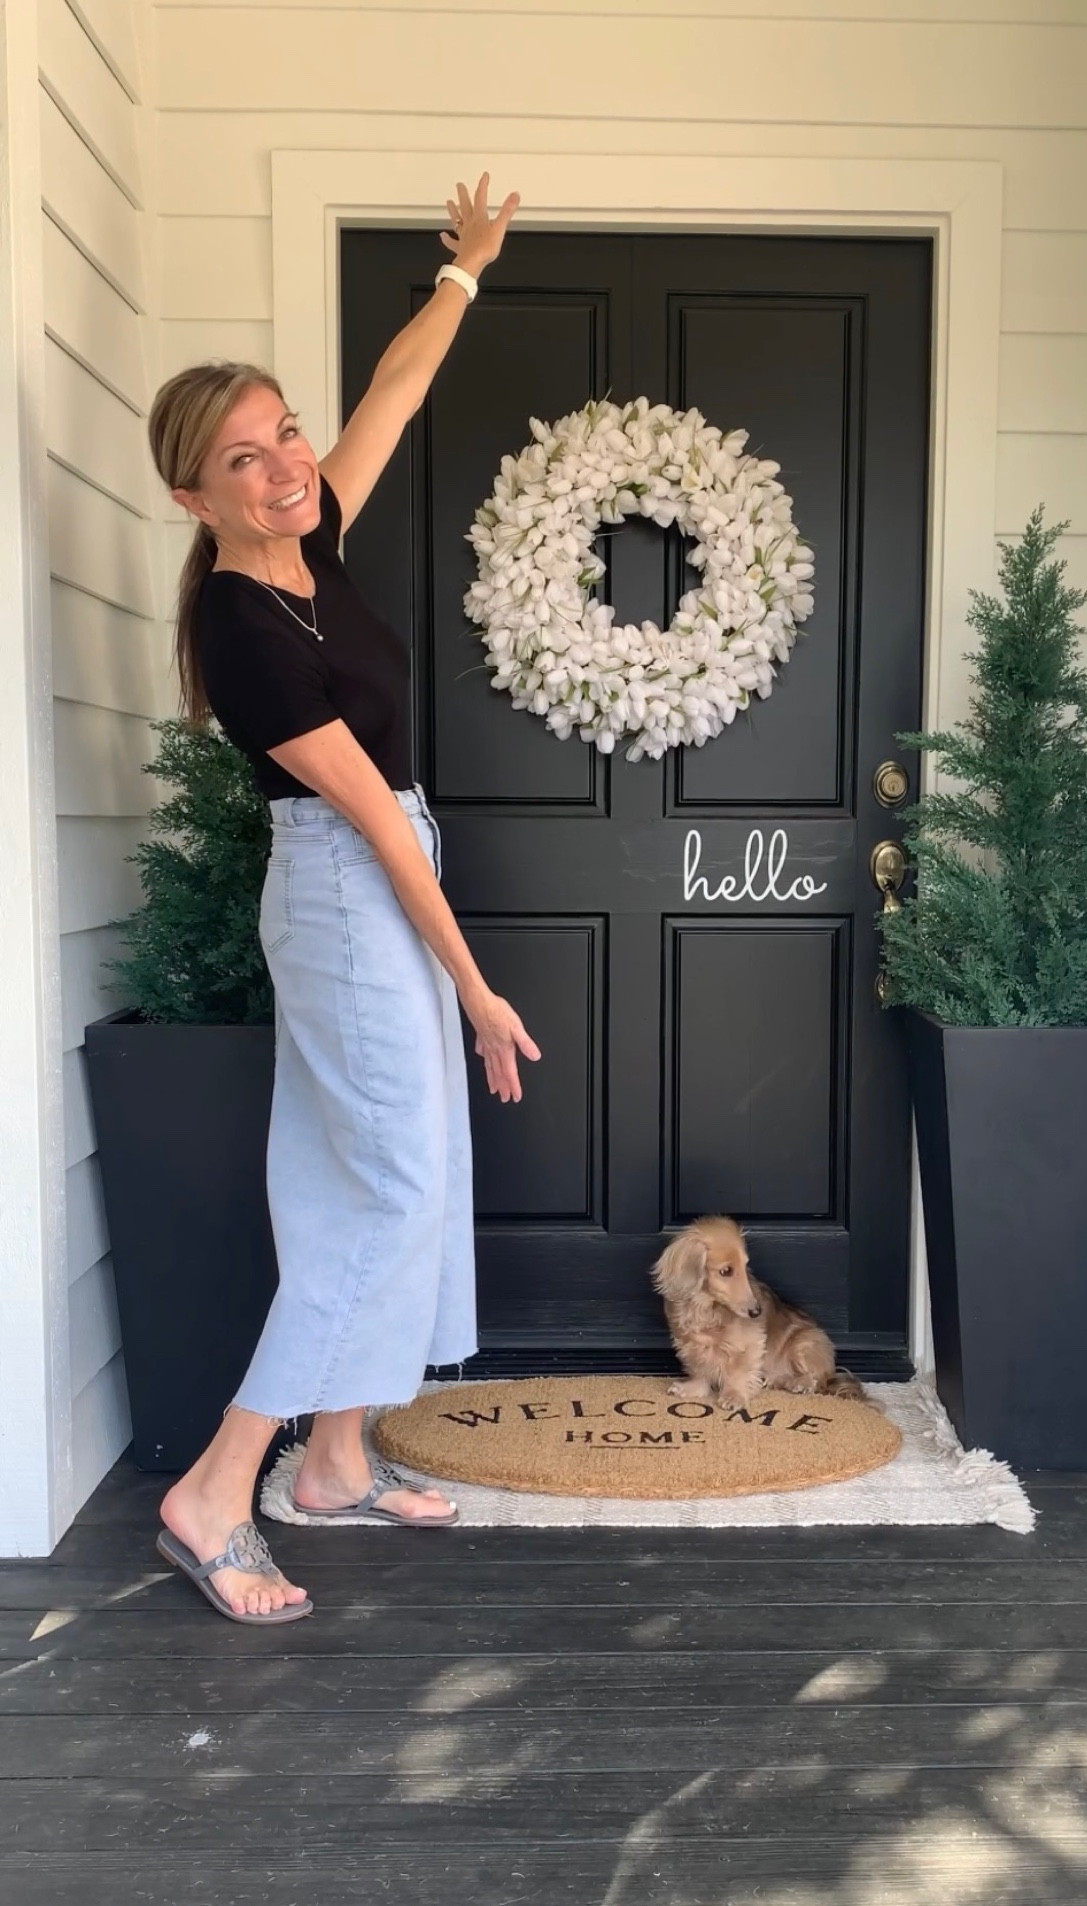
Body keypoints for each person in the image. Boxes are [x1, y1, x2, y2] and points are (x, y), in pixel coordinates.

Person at [147, 174, 537, 1625]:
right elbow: (374, 823)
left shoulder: (316, 541)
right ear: (192, 496)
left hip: (373, 878)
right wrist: (480, 989)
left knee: (340, 1177)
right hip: (350, 881)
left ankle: (333, 1461)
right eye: (242, 461)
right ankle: (215, 1488)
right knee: (393, 1185)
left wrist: (466, 275)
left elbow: (392, 390)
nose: (284, 467)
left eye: (284, 433)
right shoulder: (245, 635)